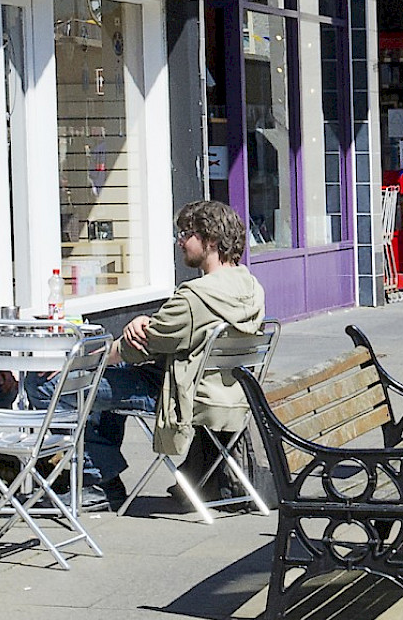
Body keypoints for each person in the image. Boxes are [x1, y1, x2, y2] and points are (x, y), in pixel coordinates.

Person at [83, 200, 266, 510]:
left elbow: (137, 347)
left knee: (73, 386)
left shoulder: (196, 297)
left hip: (186, 396)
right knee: (107, 385)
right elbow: (170, 331)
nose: (180, 241)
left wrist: (89, 359)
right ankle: (104, 478)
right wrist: (148, 324)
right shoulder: (251, 287)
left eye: (186, 233)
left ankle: (100, 481)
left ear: (210, 240)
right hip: (229, 393)